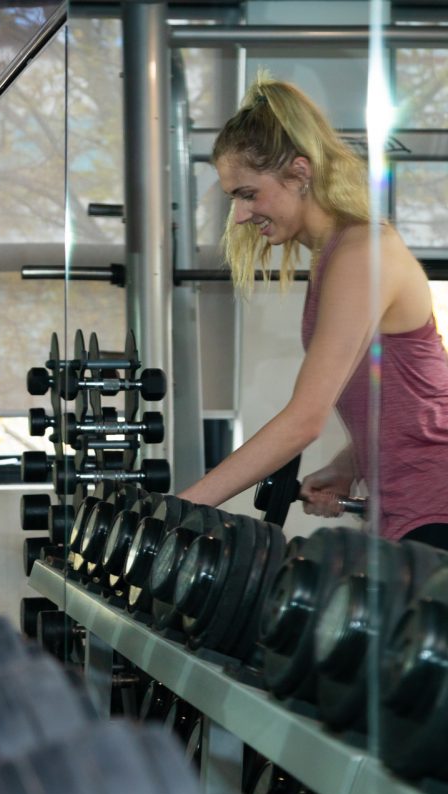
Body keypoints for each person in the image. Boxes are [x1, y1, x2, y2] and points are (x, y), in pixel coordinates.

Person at [176, 74, 448, 547]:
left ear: (299, 174)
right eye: (233, 199)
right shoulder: (338, 255)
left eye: (247, 193)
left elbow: (304, 419)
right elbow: (402, 398)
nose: (240, 215)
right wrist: (349, 465)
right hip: (408, 512)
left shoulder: (363, 252)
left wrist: (180, 510)